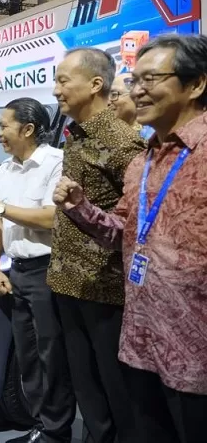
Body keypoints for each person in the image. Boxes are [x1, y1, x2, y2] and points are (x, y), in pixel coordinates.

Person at [53, 35, 207, 443]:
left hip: (196, 355)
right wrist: (80, 207)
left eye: (150, 79)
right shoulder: (143, 161)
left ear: (196, 84)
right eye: (134, 80)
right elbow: (124, 232)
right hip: (141, 343)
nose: (136, 91)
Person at [48, 47, 146, 443]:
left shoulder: (124, 144)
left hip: (106, 291)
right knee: (86, 386)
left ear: (95, 84)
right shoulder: (76, 134)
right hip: (68, 282)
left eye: (62, 80)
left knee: (117, 391)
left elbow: (138, 224)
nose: (56, 90)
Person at [0, 98, 75, 443]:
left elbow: (52, 218)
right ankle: (41, 425)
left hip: (47, 271)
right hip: (16, 271)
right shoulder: (6, 168)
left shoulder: (55, 163)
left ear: (28, 129)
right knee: (28, 356)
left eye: (4, 126)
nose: (0, 133)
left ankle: (56, 431)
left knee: (52, 355)